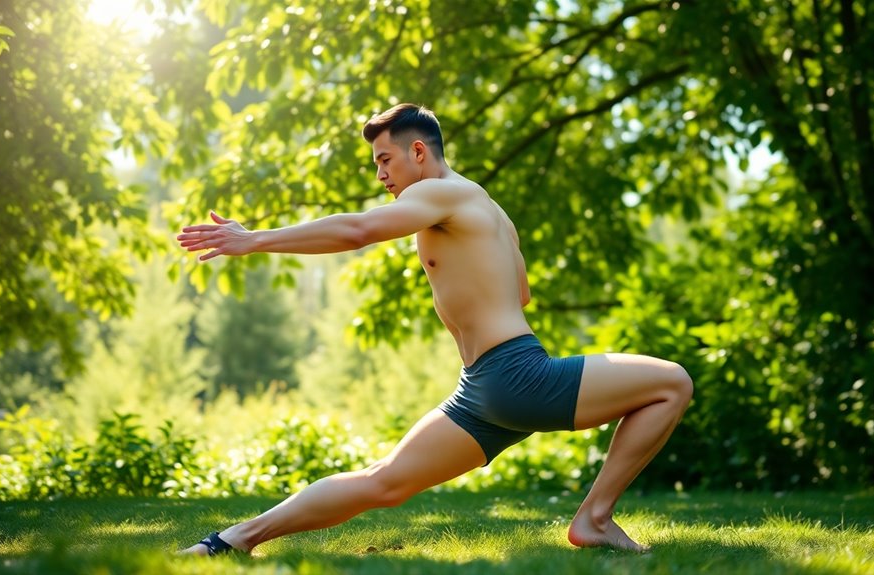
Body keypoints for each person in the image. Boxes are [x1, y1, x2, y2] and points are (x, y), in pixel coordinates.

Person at [175, 103, 692, 555]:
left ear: (418, 151)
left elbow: (359, 229)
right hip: (493, 385)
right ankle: (230, 541)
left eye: (385, 160)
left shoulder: (444, 195)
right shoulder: (488, 208)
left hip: (507, 379)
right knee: (382, 482)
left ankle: (594, 520)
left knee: (671, 382)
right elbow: (522, 293)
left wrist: (255, 239)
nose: (380, 175)